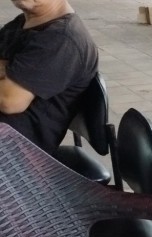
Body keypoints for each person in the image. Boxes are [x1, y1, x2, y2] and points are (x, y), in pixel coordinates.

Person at [0, 0, 98, 155]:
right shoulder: (22, 23)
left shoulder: (62, 38)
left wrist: (7, 70)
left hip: (16, 154)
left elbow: (9, 101)